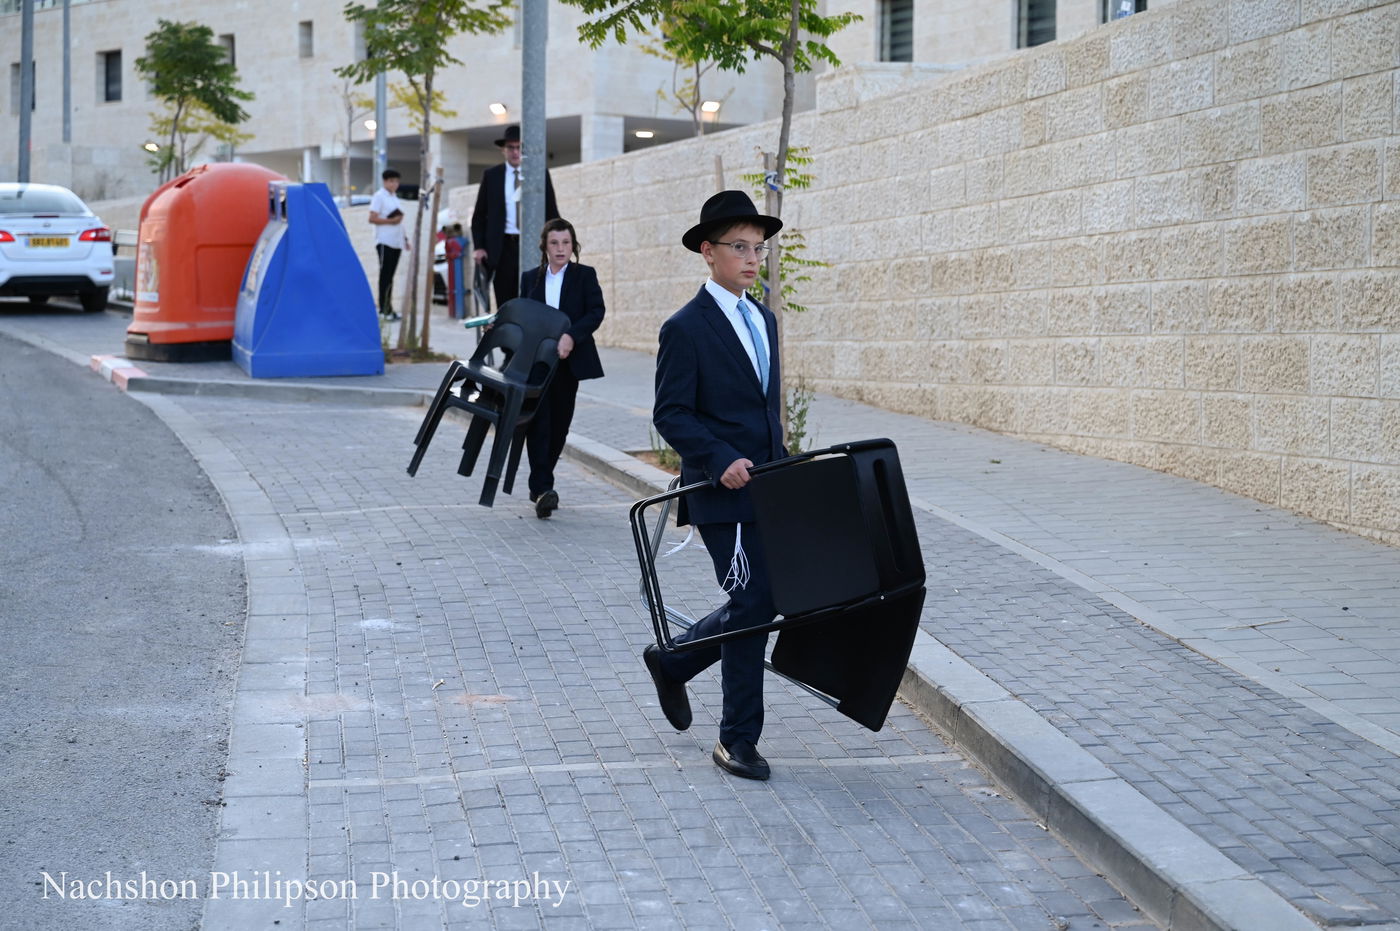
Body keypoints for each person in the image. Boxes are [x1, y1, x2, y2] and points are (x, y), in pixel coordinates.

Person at [643, 190, 786, 781]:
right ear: (708, 252)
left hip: (771, 488)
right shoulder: (686, 328)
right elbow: (671, 413)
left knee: (768, 601)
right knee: (753, 603)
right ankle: (736, 741)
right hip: (719, 495)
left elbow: (765, 409)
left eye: (759, 247)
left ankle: (674, 660)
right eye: (738, 247)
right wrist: (720, 456)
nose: (752, 258)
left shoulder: (765, 319)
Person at [518, 218, 606, 519]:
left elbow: (596, 311)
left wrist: (572, 335)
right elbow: (524, 316)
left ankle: (541, 483)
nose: (560, 248)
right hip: (537, 363)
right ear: (545, 246)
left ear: (573, 245)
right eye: (554, 243)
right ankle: (543, 488)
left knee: (559, 427)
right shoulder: (530, 278)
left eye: (566, 243)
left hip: (569, 363)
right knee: (538, 423)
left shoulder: (585, 276)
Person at [471, 124, 559, 311]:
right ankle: (508, 340)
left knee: (533, 299)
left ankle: (530, 340)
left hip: (533, 245)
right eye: (510, 147)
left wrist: (557, 244)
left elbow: (552, 212)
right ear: (503, 150)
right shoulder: (492, 176)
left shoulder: (539, 173)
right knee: (506, 301)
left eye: (519, 147)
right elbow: (479, 216)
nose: (515, 152)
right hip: (502, 248)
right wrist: (479, 247)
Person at [368, 168, 407, 322]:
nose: (394, 184)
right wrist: (391, 221)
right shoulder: (379, 196)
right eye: (391, 181)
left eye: (396, 181)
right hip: (384, 241)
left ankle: (389, 308)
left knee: (391, 276)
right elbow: (372, 218)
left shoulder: (394, 197)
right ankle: (383, 310)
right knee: (385, 276)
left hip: (396, 241)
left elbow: (400, 220)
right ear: (385, 181)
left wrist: (405, 239)